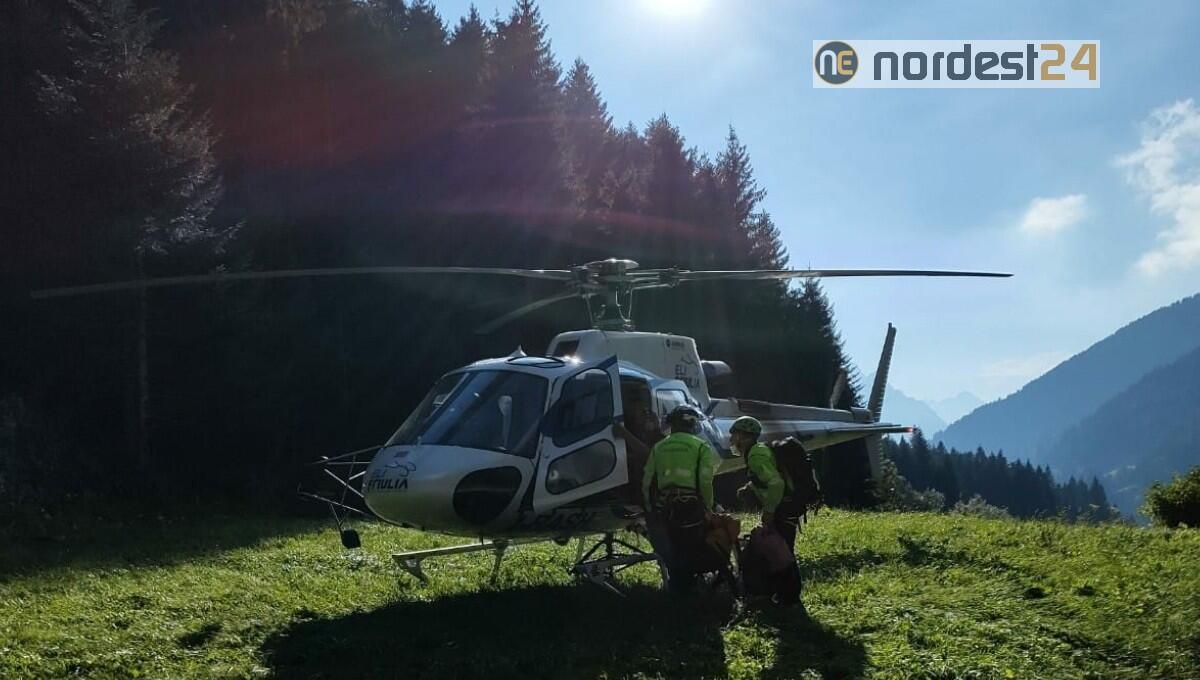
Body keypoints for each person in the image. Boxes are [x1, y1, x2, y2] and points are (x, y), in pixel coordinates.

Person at [642, 405, 718, 593]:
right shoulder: (701, 447)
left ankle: (678, 587)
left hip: (665, 508)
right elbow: (705, 482)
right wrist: (708, 507)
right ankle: (692, 587)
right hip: (692, 509)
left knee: (673, 549)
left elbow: (646, 481)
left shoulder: (658, 447)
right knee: (692, 548)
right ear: (693, 425)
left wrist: (649, 508)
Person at [731, 416, 799, 555]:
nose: (732, 439)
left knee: (782, 555)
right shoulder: (758, 450)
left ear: (743, 436)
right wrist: (749, 488)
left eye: (734, 434)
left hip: (783, 509)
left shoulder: (756, 456)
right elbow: (764, 478)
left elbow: (776, 484)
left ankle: (788, 577)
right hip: (787, 506)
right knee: (783, 552)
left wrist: (769, 512)